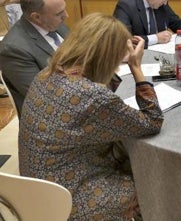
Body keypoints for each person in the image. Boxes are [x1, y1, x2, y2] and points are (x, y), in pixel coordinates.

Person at [19, 13, 164, 221]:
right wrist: (135, 68)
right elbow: (152, 121)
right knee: (153, 180)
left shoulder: (46, 74)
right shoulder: (92, 96)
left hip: (35, 187)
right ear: (107, 57)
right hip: (71, 197)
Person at [0, 0, 69, 114]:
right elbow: (42, 98)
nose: (66, 16)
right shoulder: (13, 50)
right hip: (52, 118)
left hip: (81, 97)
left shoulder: (55, 24)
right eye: (59, 13)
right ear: (36, 17)